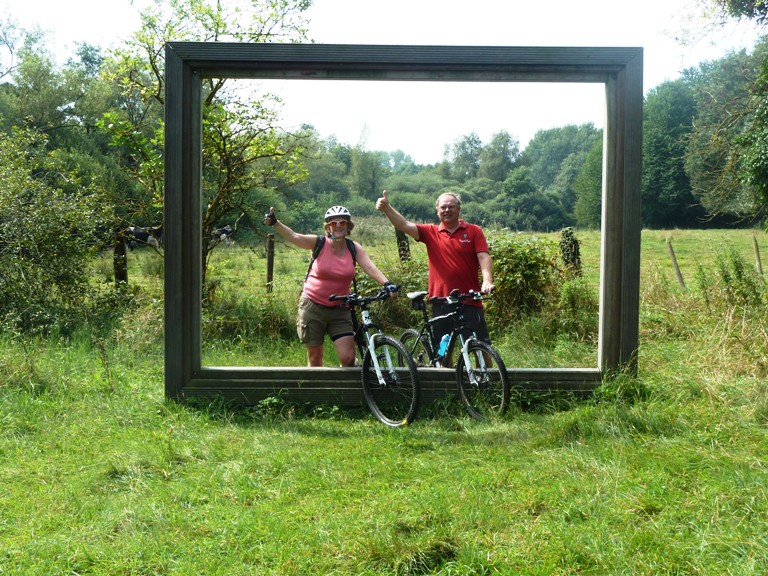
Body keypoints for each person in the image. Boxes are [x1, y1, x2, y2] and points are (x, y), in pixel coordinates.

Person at [264, 205, 397, 367]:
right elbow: (294, 236)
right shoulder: (318, 243)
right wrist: (275, 223)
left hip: (340, 309)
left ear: (348, 226)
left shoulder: (353, 248)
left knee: (348, 359)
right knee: (315, 359)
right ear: (328, 227)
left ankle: (345, 389)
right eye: (334, 224)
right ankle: (318, 391)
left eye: (343, 222)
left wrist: (387, 283)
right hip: (313, 306)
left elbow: (370, 267)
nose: (339, 226)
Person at [376, 189, 494, 346]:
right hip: (441, 300)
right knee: (443, 349)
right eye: (443, 207)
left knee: (481, 344)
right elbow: (404, 224)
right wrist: (387, 209)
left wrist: (487, 280)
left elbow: (483, 256)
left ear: (458, 209)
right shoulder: (431, 232)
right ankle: (443, 370)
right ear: (437, 211)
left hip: (469, 299)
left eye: (451, 207)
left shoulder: (473, 231)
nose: (447, 210)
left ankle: (485, 371)